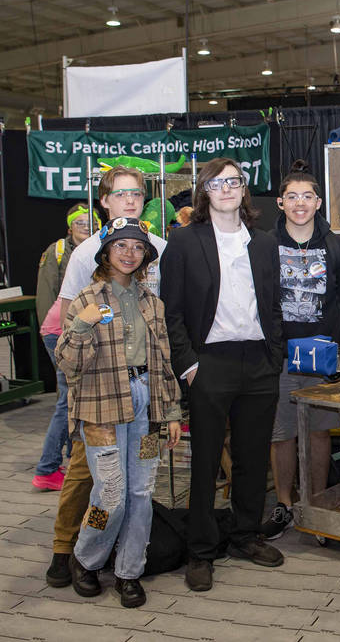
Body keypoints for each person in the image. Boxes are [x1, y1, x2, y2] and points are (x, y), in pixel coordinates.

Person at [160, 158, 284, 592]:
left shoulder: (264, 242)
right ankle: (201, 549)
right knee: (207, 461)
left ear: (244, 189)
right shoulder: (185, 242)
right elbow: (171, 312)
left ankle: (246, 534)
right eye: (217, 182)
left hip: (259, 361)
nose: (227, 188)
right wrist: (189, 365)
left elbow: (272, 304)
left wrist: (275, 353)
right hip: (209, 362)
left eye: (234, 181)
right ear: (204, 191)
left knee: (252, 457)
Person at [45, 167, 167, 590]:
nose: (129, 253)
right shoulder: (86, 299)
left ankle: (130, 571)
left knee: (141, 494)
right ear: (105, 252)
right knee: (110, 495)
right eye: (121, 246)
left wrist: (167, 415)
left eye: (137, 247)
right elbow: (67, 363)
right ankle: (86, 555)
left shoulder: (152, 303)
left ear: (145, 256)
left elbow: (163, 365)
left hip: (147, 406)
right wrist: (79, 326)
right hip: (100, 410)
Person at [261, 160, 340, 540]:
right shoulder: (266, 246)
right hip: (283, 358)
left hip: (324, 360)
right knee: (282, 434)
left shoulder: (337, 248)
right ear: (280, 202)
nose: (300, 203)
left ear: (319, 202)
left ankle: (317, 503)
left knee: (320, 432)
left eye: (307, 196)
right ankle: (285, 504)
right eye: (292, 197)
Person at [32, 204, 101, 491]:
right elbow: (46, 295)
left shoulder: (99, 247)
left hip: (75, 328)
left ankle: (71, 460)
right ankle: (47, 469)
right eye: (80, 222)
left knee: (73, 398)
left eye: (91, 222)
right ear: (70, 226)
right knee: (67, 401)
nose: (86, 226)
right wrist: (62, 339)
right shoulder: (59, 251)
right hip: (61, 330)